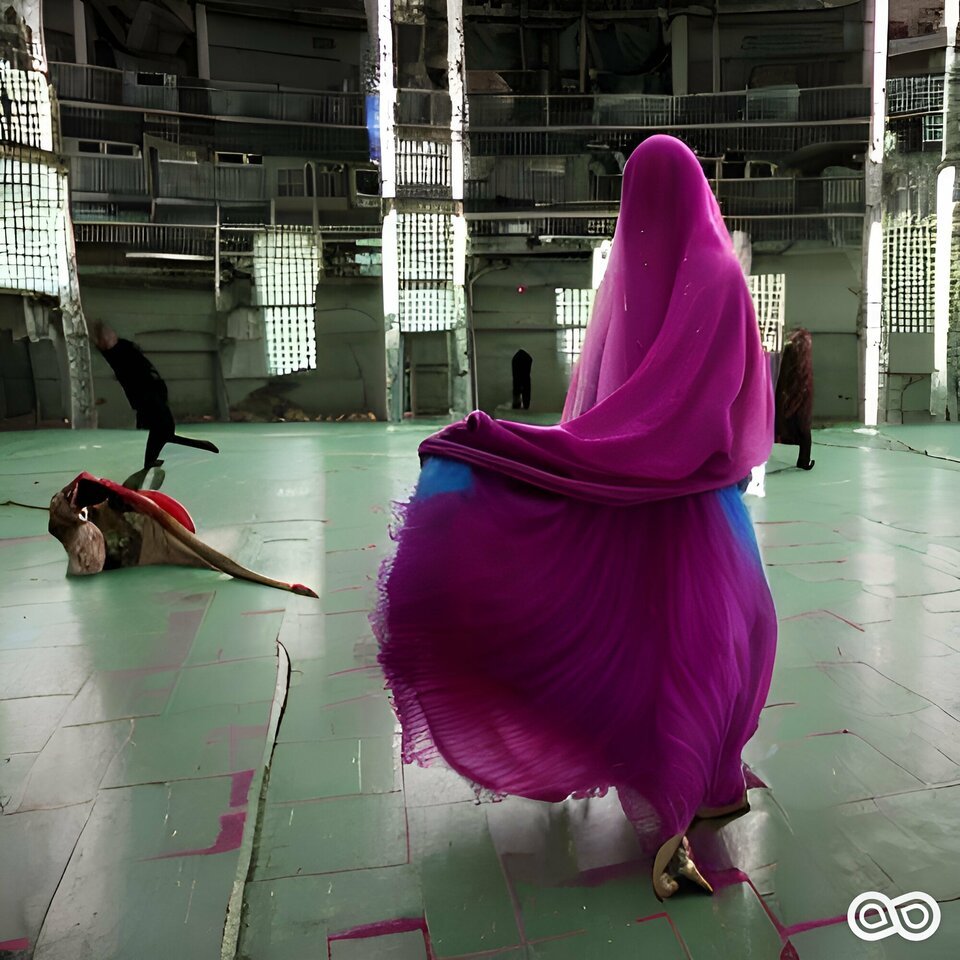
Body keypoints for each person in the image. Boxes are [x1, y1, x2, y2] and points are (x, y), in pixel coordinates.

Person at [372, 135, 776, 899]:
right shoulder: (712, 274)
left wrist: (574, 459)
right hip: (694, 509)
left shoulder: (645, 277)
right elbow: (715, 403)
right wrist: (622, 455)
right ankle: (693, 799)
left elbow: (614, 406)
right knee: (709, 648)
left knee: (652, 646)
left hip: (638, 502)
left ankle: (690, 793)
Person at [48, 472, 317, 597]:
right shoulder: (75, 512)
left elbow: (197, 547)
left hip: (149, 526)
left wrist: (280, 585)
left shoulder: (138, 515)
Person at [91, 321, 220, 474]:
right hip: (149, 402)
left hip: (151, 402)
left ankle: (152, 465)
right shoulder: (122, 352)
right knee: (162, 436)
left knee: (161, 436)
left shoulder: (123, 351)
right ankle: (198, 448)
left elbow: (106, 343)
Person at [774, 328, 815, 470]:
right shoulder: (802, 362)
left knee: (799, 428)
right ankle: (804, 461)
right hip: (798, 396)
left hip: (790, 396)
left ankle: (803, 460)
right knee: (803, 430)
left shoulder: (788, 357)